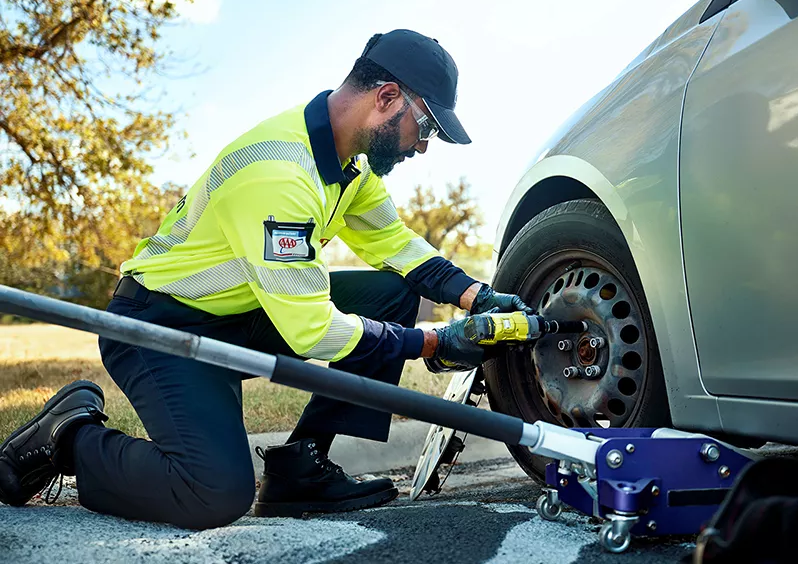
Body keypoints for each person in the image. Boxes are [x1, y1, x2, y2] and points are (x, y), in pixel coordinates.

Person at [0, 29, 532, 529]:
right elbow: (311, 330)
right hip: (158, 327)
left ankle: (301, 468)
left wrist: (477, 295)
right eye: (428, 127)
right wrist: (435, 342)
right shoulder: (277, 172)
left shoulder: (350, 166)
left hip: (243, 313)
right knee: (212, 493)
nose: (423, 146)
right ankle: (70, 439)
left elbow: (395, 245)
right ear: (388, 97)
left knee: (391, 293)